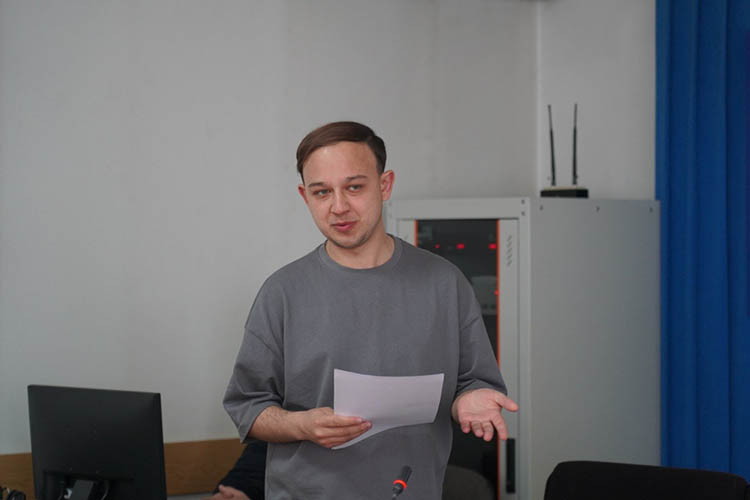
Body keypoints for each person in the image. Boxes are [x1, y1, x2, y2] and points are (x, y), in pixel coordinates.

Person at [223, 121, 518, 499]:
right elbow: (248, 407)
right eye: (322, 192)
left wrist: (469, 400)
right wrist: (302, 425)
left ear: (385, 185)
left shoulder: (444, 283)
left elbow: (473, 381)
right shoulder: (282, 292)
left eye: (354, 187)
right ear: (305, 196)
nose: (338, 207)